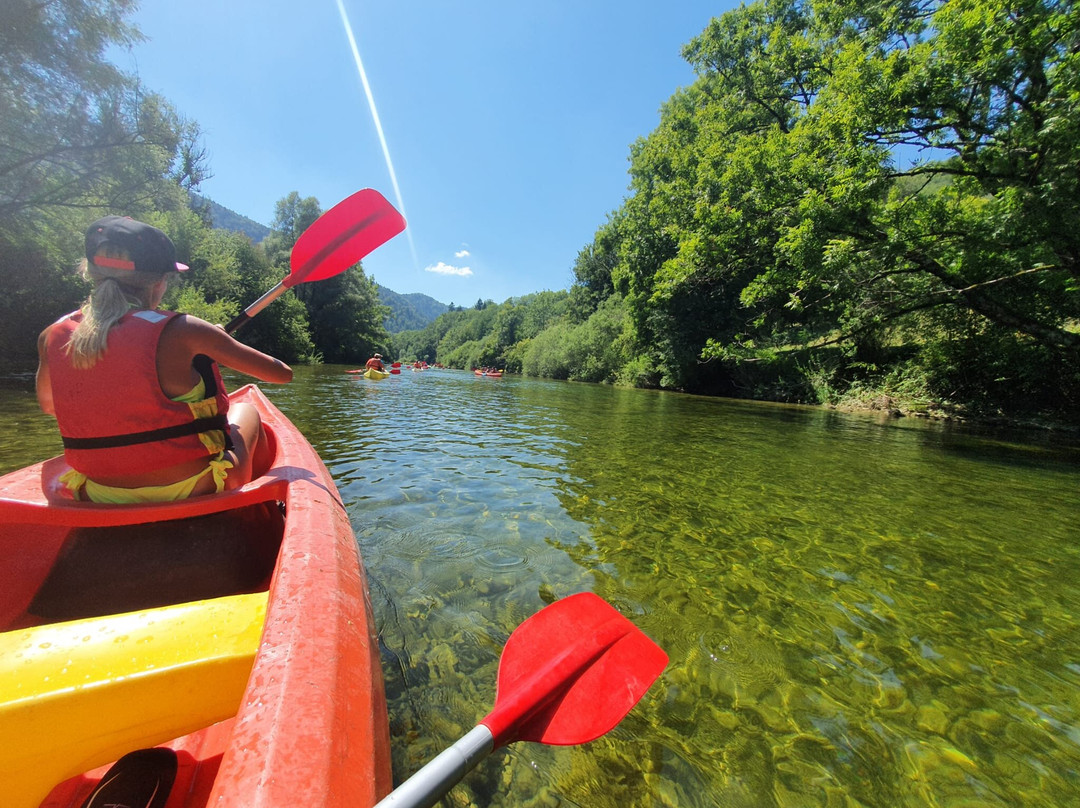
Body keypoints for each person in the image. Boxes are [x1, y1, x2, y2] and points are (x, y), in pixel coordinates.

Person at [35, 215, 293, 504]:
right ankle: (251, 506)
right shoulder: (185, 330)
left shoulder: (53, 334)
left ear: (92, 273)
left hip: (96, 492)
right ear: (159, 282)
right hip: (195, 486)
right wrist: (219, 342)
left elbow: (49, 405)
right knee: (247, 412)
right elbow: (281, 374)